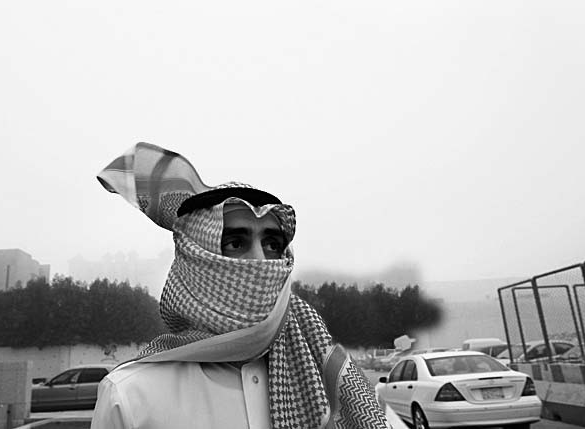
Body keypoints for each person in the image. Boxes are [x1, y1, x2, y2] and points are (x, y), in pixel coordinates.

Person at [91, 143, 389, 429]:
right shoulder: (130, 396)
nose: (261, 261)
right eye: (236, 243)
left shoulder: (320, 376)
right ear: (196, 259)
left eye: (272, 245)